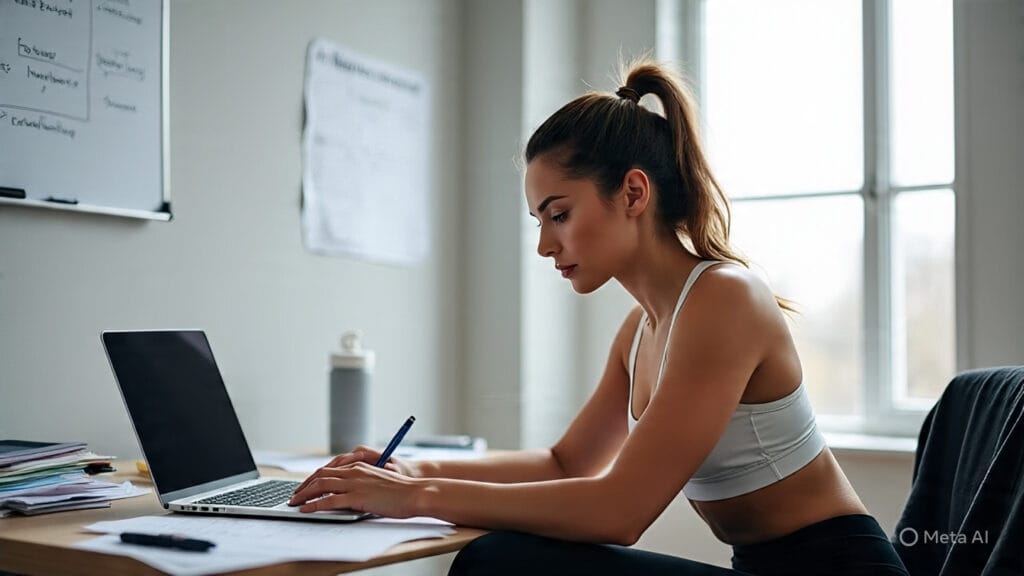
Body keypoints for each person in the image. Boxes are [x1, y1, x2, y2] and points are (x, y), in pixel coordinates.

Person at [289, 60, 910, 576]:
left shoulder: (725, 298)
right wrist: (412, 469)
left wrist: (416, 496)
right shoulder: (639, 331)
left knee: (499, 561)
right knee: (500, 556)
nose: (545, 245)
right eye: (539, 221)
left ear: (633, 193)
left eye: (559, 215)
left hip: (838, 570)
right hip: (758, 567)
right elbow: (566, 464)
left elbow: (620, 511)